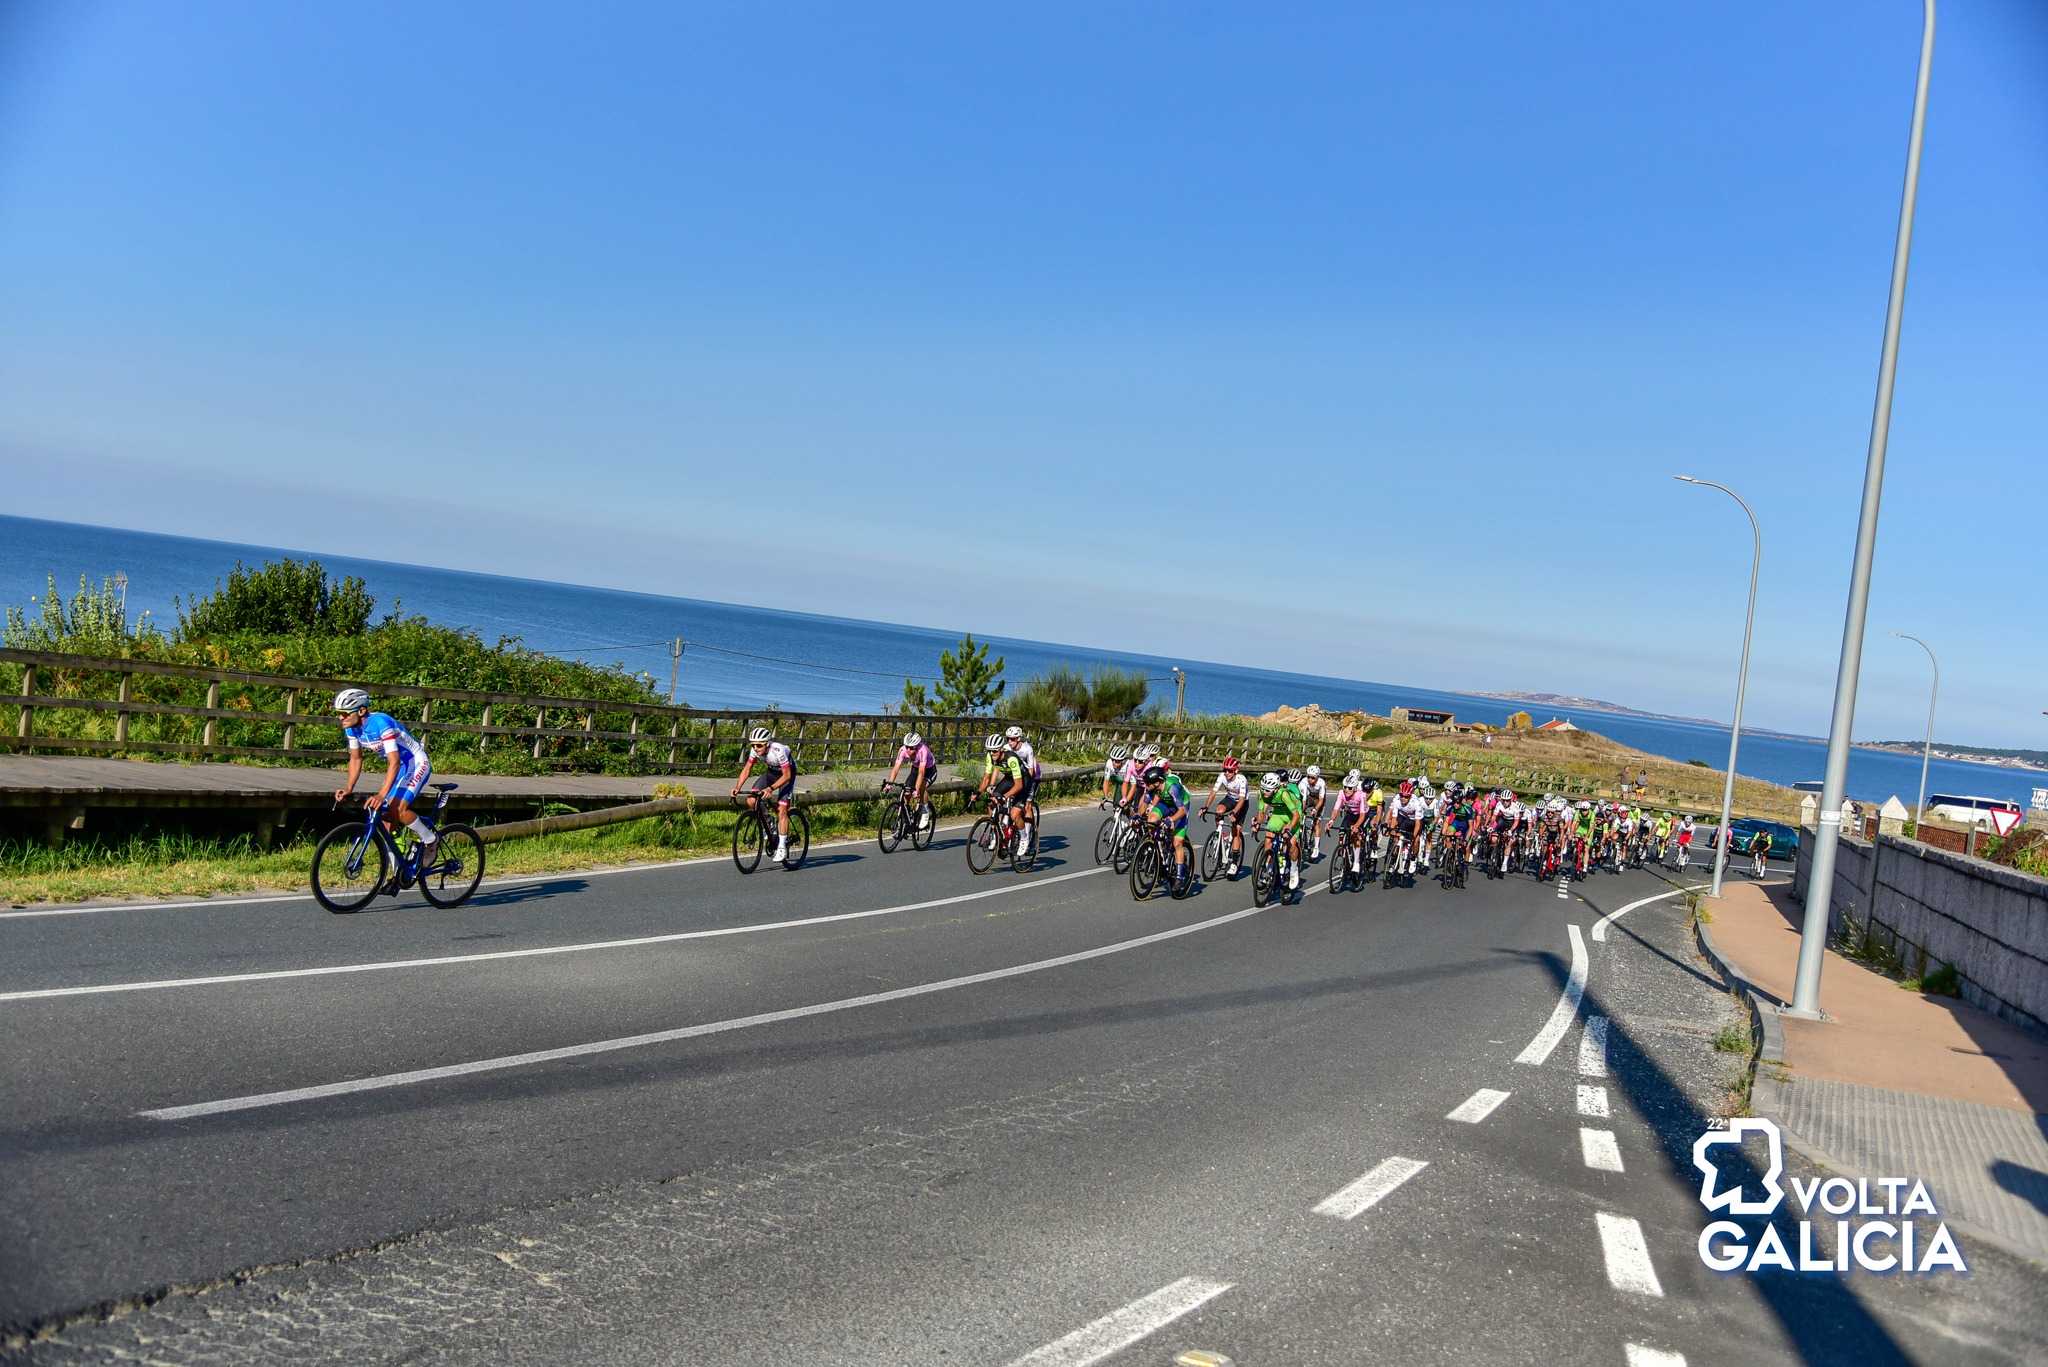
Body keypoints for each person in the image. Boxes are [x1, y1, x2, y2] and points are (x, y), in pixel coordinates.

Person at [332, 688, 437, 875]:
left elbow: (394, 761)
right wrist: (349, 788)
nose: (340, 718)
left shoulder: (381, 723)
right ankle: (396, 874)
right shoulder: (351, 728)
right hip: (399, 768)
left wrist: (381, 794)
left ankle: (430, 841)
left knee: (398, 809)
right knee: (388, 822)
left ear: (362, 711)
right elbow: (356, 758)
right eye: (338, 714)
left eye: (344, 713)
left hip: (415, 762)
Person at [732, 725, 798, 862]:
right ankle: (770, 825)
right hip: (771, 773)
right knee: (751, 800)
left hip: (786, 776)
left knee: (782, 809)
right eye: (753, 745)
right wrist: (737, 787)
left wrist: (770, 789)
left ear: (767, 744)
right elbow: (747, 768)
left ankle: (781, 847)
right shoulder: (755, 750)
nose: (756, 748)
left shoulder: (778, 750)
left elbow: (787, 775)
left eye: (759, 745)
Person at [1140, 764, 1193, 892]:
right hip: (1166, 803)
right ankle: (1157, 849)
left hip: (1181, 808)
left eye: (1148, 784)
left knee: (1177, 842)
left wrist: (1171, 819)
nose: (1146, 786)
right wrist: (1138, 816)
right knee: (1151, 820)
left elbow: (1181, 811)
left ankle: (1180, 877)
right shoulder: (1152, 787)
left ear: (1157, 782)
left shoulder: (1172, 788)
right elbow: (1144, 805)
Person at [1202, 756, 1251, 875]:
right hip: (1230, 798)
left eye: (1230, 770)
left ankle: (1234, 863)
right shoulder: (1222, 777)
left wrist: (1234, 812)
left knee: (1236, 831)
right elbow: (1213, 792)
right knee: (1219, 810)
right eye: (1225, 770)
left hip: (1241, 802)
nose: (1227, 773)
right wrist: (1205, 807)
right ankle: (1221, 834)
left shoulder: (1241, 779)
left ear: (1236, 771)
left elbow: (1242, 799)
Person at [1259, 771, 1305, 892]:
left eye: (1268, 790)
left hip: (1293, 815)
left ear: (1275, 789)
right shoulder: (1263, 793)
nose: (1264, 792)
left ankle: (1294, 870)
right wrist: (1257, 823)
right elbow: (1261, 812)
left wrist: (1289, 827)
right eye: (1263, 789)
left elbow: (1296, 815)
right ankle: (1268, 869)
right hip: (1279, 814)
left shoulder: (1283, 794)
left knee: (1291, 843)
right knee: (1268, 836)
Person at [886, 730, 938, 827]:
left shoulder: (923, 750)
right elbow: (896, 769)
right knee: (906, 791)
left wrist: (916, 790)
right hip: (915, 769)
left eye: (911, 748)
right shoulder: (902, 750)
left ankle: (925, 811)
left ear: (917, 746)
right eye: (907, 747)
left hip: (929, 770)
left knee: (922, 786)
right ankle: (906, 817)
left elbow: (921, 772)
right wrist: (889, 783)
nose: (908, 750)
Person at [1003, 725, 1042, 855]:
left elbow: (1030, 771)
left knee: (1027, 805)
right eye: (1008, 739)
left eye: (1013, 739)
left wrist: (1024, 789)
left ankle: (1028, 836)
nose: (1010, 742)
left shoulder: (1027, 749)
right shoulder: (1007, 748)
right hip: (1018, 775)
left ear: (1018, 739)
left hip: (1032, 776)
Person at [1299, 765, 1329, 860]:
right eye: (1308, 777)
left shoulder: (1321, 783)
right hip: (1309, 798)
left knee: (1316, 822)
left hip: (1319, 800)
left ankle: (1316, 847)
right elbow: (1302, 798)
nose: (1310, 780)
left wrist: (1315, 809)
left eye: (1313, 778)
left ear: (1317, 777)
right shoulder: (1303, 781)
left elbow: (1321, 800)